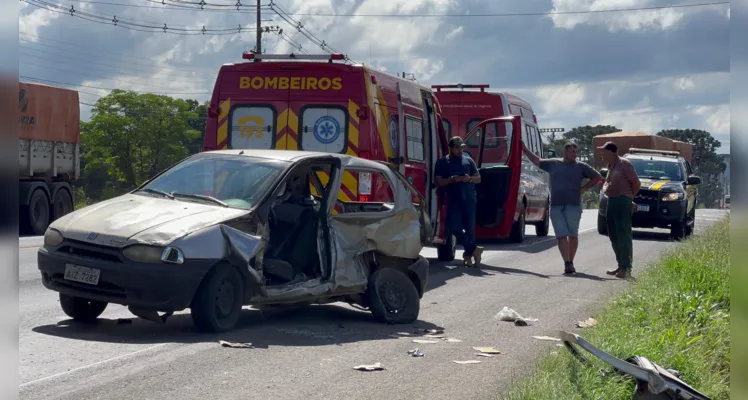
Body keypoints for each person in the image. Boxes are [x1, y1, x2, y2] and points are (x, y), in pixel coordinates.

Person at [523, 142, 603, 274]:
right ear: (565, 152)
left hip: (573, 205)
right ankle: (567, 262)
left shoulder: (581, 166)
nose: (575, 155)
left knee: (572, 235)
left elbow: (597, 177)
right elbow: (537, 161)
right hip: (556, 205)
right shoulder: (554, 164)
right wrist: (525, 150)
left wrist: (585, 188)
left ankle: (571, 261)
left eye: (576, 152)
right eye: (573, 152)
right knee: (561, 235)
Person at [435, 136, 484, 267]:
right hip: (453, 199)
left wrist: (468, 179)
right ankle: (474, 250)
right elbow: (438, 181)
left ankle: (468, 256)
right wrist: (452, 180)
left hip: (469, 199)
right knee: (455, 228)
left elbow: (478, 178)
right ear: (450, 148)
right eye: (457, 148)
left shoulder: (468, 161)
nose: (459, 151)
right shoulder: (442, 162)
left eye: (461, 148)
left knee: (470, 230)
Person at [598, 141, 640, 279]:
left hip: (622, 201)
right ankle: (620, 265)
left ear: (611, 152)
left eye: (604, 151)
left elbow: (636, 183)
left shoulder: (624, 164)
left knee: (623, 234)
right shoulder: (610, 166)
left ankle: (627, 268)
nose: (602, 154)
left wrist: (629, 198)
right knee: (614, 235)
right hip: (612, 201)